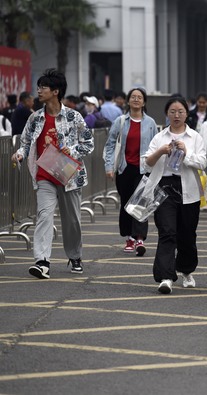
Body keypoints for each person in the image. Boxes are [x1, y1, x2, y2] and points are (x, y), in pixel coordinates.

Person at [11, 68, 94, 278]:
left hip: (68, 176)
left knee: (72, 220)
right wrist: (20, 154)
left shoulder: (74, 117)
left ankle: (75, 255)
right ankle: (42, 262)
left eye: (43, 88)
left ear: (55, 91)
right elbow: (26, 142)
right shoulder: (35, 118)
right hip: (44, 176)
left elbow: (89, 143)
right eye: (38, 87)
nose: (38, 91)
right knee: (44, 216)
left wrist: (72, 151)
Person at [143, 97, 207, 294]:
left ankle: (186, 271)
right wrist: (161, 152)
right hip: (164, 187)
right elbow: (146, 163)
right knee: (167, 231)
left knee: (187, 234)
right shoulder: (159, 137)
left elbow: (203, 162)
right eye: (172, 111)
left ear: (187, 114)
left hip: (189, 188)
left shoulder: (194, 137)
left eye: (180, 111)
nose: (176, 115)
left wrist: (186, 153)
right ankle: (166, 277)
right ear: (167, 114)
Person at [103, 88, 158, 255]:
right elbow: (110, 145)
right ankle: (129, 238)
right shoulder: (120, 121)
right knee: (127, 204)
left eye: (139, 97)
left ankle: (140, 238)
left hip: (144, 168)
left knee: (141, 202)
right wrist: (109, 167)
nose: (136, 100)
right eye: (133, 97)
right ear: (128, 101)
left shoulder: (151, 123)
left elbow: (155, 146)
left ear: (144, 102)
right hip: (124, 168)